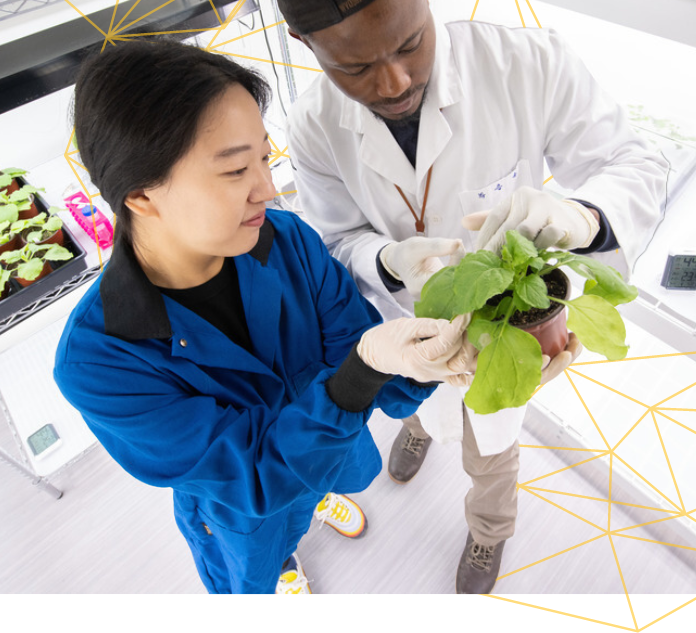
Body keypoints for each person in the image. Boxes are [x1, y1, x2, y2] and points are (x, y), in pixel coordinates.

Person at [265, 0, 669, 594]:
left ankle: (489, 531)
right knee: (419, 398)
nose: (392, 82)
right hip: (405, 330)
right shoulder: (313, 124)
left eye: (409, 44)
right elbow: (334, 239)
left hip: (507, 325)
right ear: (304, 42)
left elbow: (633, 161)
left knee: (493, 450)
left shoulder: (526, 64)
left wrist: (585, 216)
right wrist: (384, 260)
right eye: (353, 67)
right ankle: (420, 426)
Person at [53, 38, 476, 594]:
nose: (268, 190)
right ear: (142, 196)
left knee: (314, 474)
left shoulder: (289, 241)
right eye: (234, 172)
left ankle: (319, 494)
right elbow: (250, 473)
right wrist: (360, 371)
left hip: (328, 444)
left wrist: (431, 356)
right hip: (245, 507)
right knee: (260, 548)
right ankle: (283, 566)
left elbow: (362, 356)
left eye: (264, 159)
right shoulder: (100, 362)